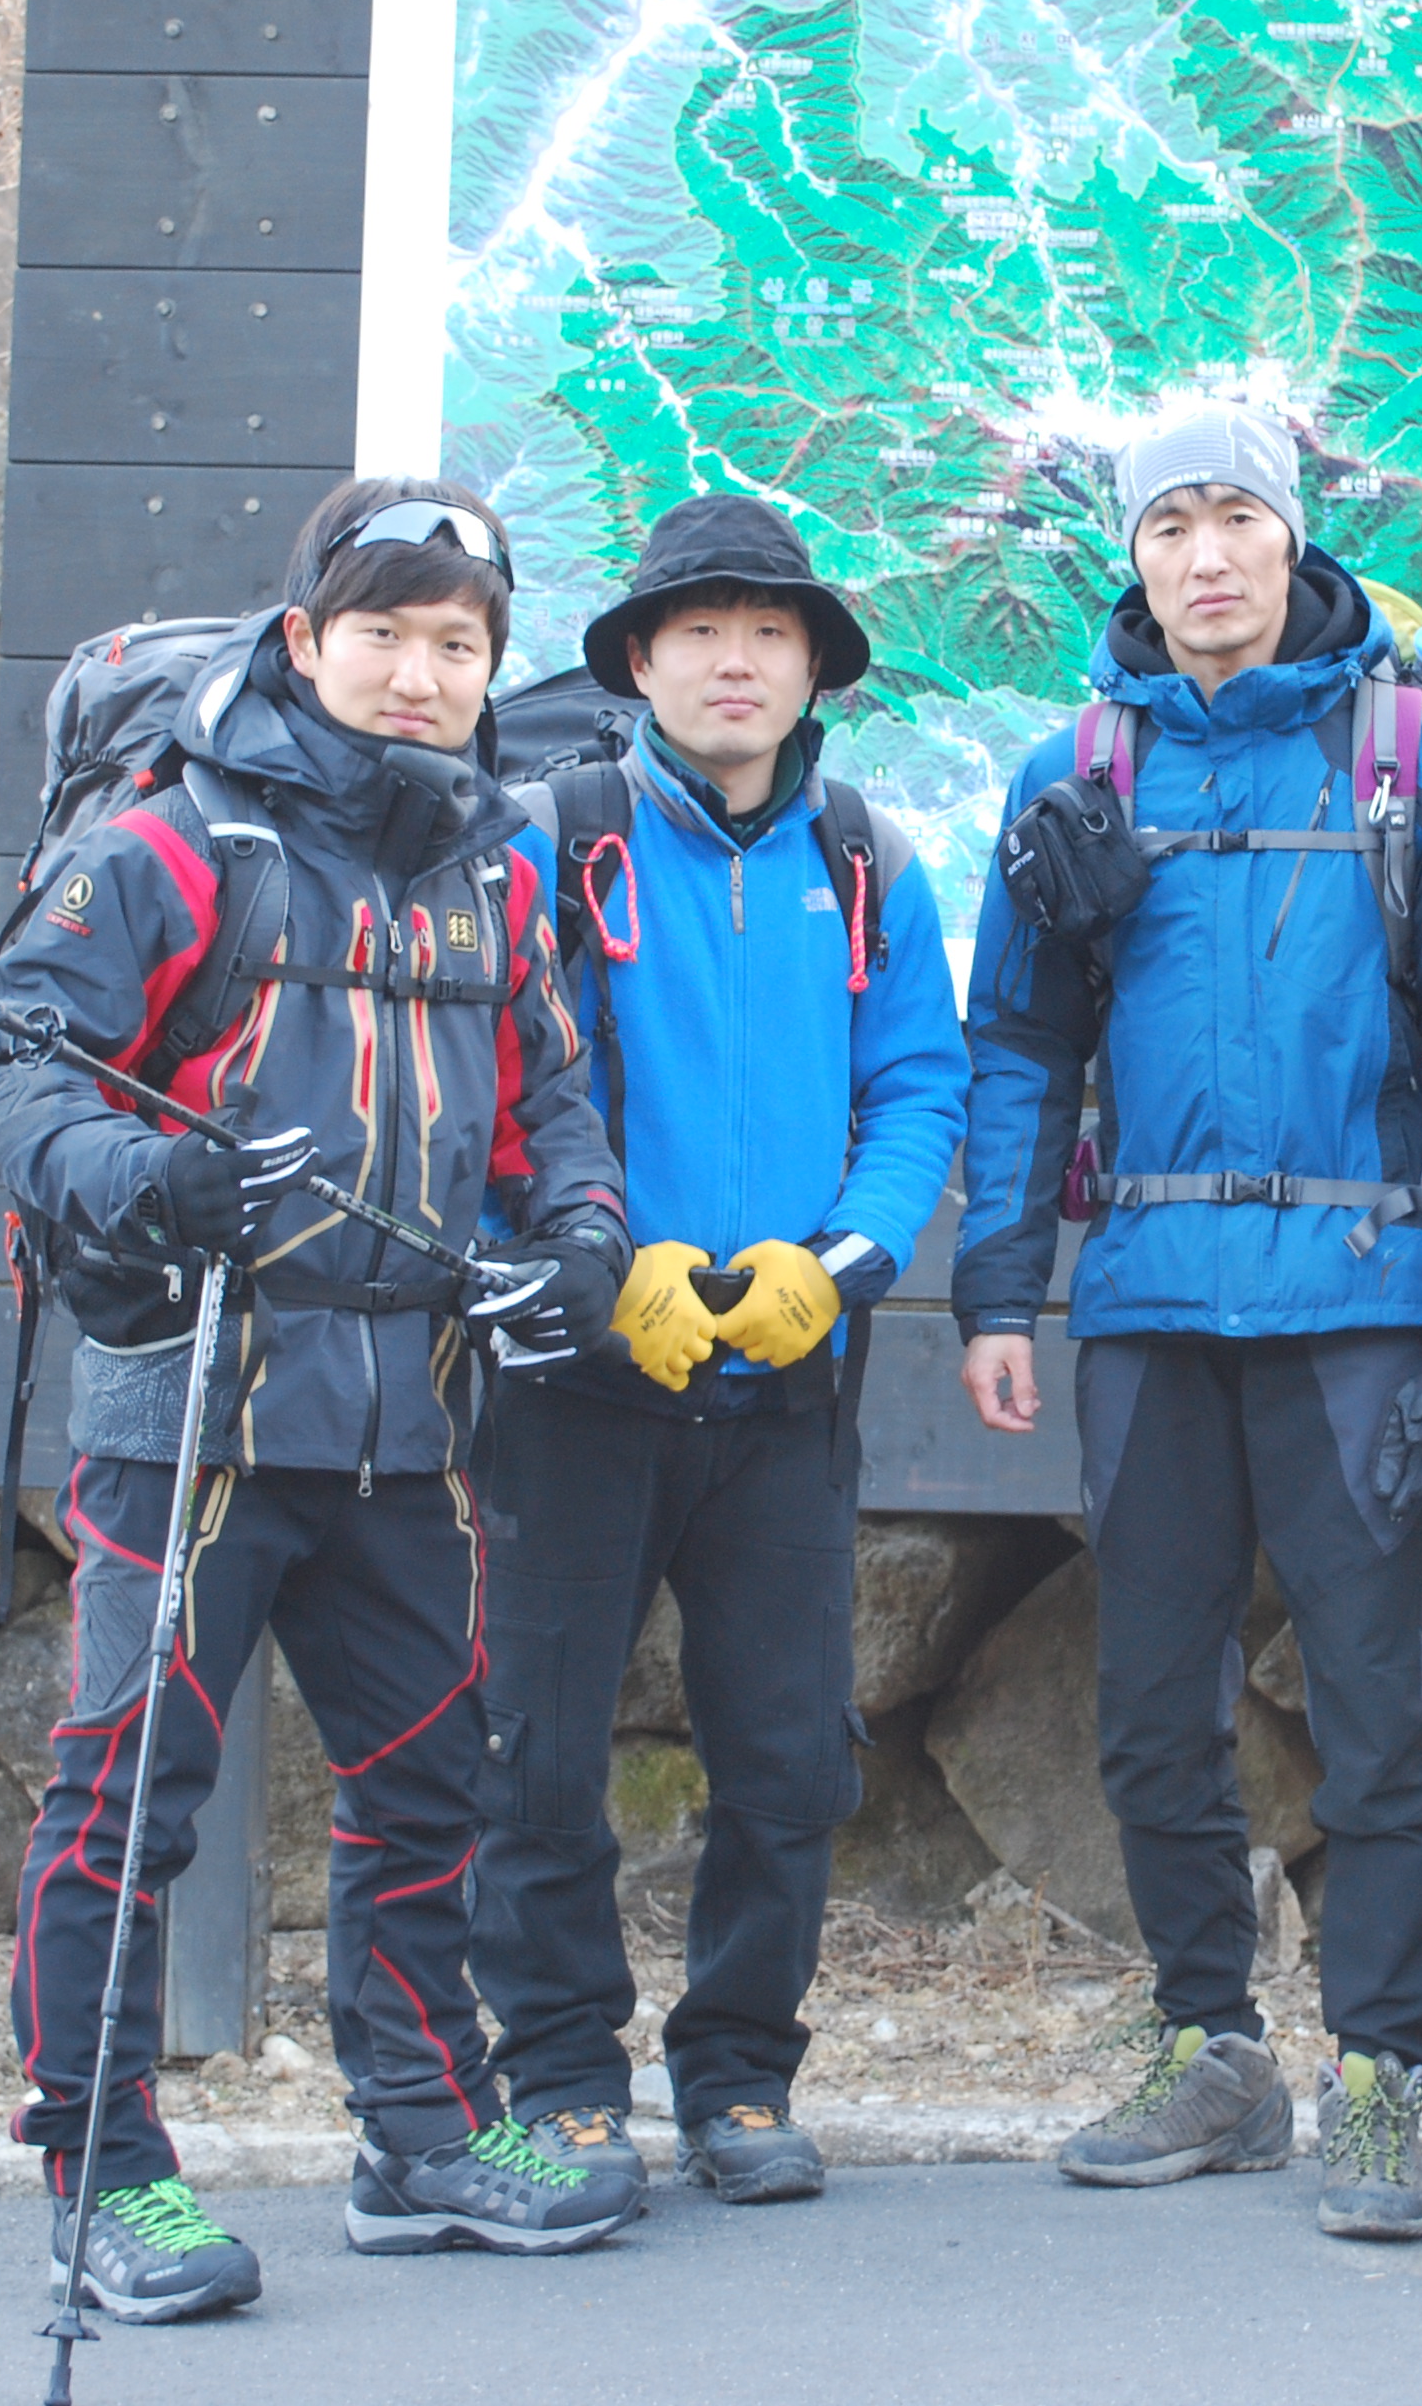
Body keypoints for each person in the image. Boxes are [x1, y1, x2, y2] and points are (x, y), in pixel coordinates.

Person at [0, 477, 644, 2322]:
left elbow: (551, 1105)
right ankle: (104, 2175)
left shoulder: (498, 870)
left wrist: (581, 1245)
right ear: (306, 636)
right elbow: (7, 1067)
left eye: (457, 644)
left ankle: (422, 2135)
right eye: (384, 634)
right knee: (127, 1803)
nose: (420, 674)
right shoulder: (178, 846)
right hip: (190, 1406)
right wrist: (141, 1180)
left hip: (412, 1419)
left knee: (428, 1789)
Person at [953, 401, 1422, 2243]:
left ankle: (1381, 2074)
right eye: (1168, 526)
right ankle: (1212, 2047)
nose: (1204, 556)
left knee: (1376, 1704)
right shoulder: (1076, 772)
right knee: (1150, 1705)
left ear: (1294, 536)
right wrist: (999, 1286)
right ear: (1130, 554)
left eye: (1235, 518)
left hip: (1360, 1294)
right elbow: (1018, 1046)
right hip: (1147, 1296)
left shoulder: (1415, 765)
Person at [471, 495, 966, 2207]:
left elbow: (920, 1087)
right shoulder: (549, 843)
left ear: (815, 665)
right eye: (698, 631)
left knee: (787, 1756)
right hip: (577, 1381)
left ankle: (741, 2077)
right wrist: (597, 1268)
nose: (735, 661)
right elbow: (488, 1085)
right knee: (541, 1749)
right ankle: (559, 2076)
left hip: (785, 1383)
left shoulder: (865, 857)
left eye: (769, 632)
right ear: (639, 662)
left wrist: (844, 1262)